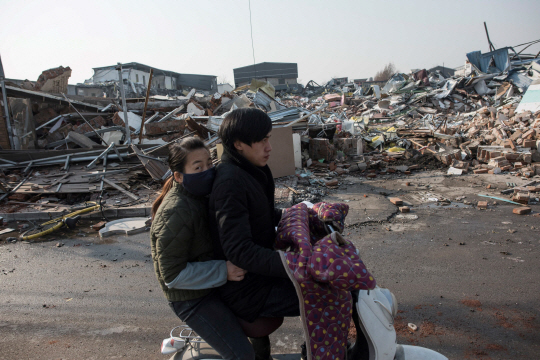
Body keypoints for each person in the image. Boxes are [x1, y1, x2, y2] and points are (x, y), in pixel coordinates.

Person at [150, 137, 255, 360]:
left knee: (260, 323)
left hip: (209, 285)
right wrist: (223, 270)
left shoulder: (199, 196)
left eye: (209, 163)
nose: (207, 171)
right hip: (191, 297)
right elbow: (172, 275)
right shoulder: (176, 211)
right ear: (178, 176)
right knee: (242, 355)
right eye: (198, 167)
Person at [209, 108, 301, 358]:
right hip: (247, 289)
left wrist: (302, 216)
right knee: (329, 293)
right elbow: (239, 251)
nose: (269, 146)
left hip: (260, 276)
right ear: (239, 144)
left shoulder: (253, 170)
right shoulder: (230, 183)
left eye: (268, 138)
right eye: (262, 140)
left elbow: (264, 216)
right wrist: (292, 265)